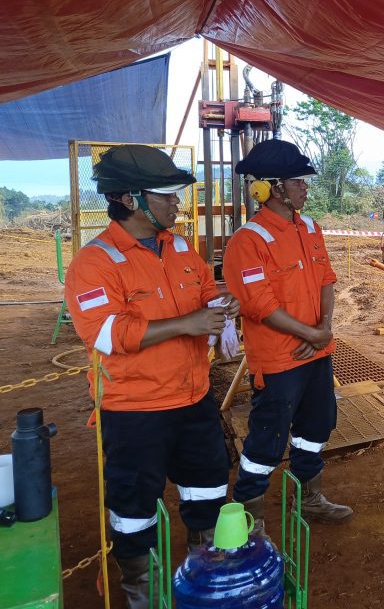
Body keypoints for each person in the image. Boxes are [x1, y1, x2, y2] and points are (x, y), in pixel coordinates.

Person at [64, 145, 238, 608]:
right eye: (165, 194)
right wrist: (186, 324)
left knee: (208, 489)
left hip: (194, 398)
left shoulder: (178, 245)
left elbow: (203, 288)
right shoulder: (94, 262)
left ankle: (202, 578)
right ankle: (141, 591)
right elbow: (105, 331)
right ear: (128, 199)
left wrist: (221, 304)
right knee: (133, 510)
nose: (176, 203)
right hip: (134, 411)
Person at [223, 139, 351, 534]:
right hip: (280, 360)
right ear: (272, 188)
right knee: (266, 439)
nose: (305, 188)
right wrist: (311, 332)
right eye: (298, 182)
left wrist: (324, 328)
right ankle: (251, 518)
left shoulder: (309, 227)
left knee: (317, 427)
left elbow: (327, 279)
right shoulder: (249, 240)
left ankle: (310, 498)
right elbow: (260, 305)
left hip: (316, 350)